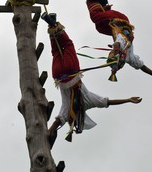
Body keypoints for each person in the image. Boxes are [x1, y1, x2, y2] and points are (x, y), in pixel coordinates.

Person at [41, 13, 142, 145]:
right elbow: (56, 123)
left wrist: (128, 100)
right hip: (58, 75)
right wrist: (49, 132)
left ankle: (54, 24)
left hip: (72, 72)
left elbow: (108, 102)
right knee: (55, 51)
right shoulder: (66, 113)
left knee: (68, 45)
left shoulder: (89, 101)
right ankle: (51, 25)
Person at [81, 0, 152, 83]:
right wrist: (114, 65)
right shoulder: (122, 44)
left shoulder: (130, 58)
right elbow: (118, 46)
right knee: (96, 18)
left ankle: (100, 0)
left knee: (100, 27)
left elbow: (142, 67)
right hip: (118, 19)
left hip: (118, 22)